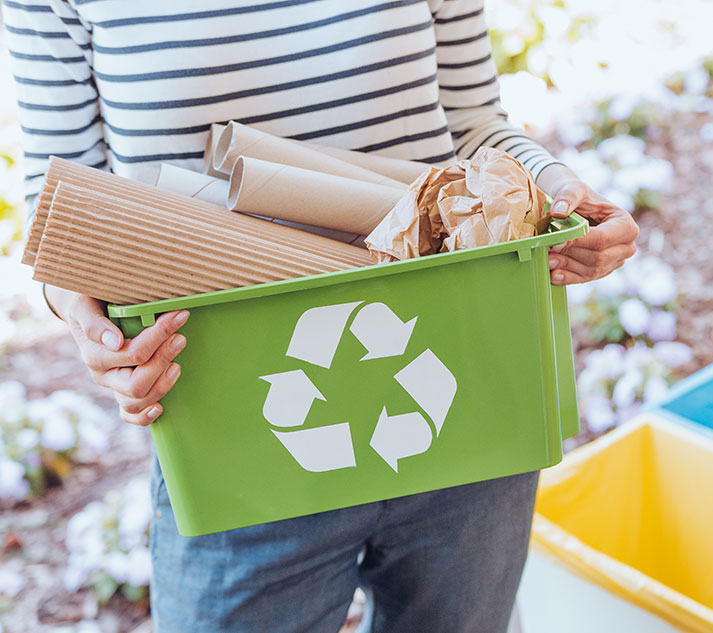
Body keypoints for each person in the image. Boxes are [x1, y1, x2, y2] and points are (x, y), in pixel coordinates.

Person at [5, 1, 639, 631]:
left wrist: (561, 192)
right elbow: (61, 199)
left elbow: (472, 122)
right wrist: (90, 324)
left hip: (461, 385)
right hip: (231, 417)